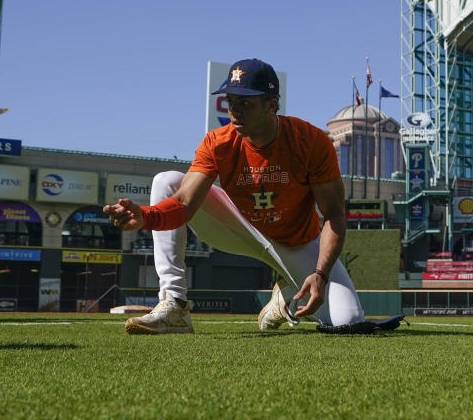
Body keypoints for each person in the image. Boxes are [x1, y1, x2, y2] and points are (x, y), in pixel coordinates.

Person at [104, 58, 375, 334]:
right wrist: (146, 216)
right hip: (238, 227)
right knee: (167, 181)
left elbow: (334, 216)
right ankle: (174, 304)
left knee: (347, 320)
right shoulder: (217, 142)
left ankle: (285, 300)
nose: (235, 111)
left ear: (272, 105)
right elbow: (184, 204)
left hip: (296, 243)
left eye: (246, 103)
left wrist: (320, 274)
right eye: (231, 101)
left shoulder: (310, 140)